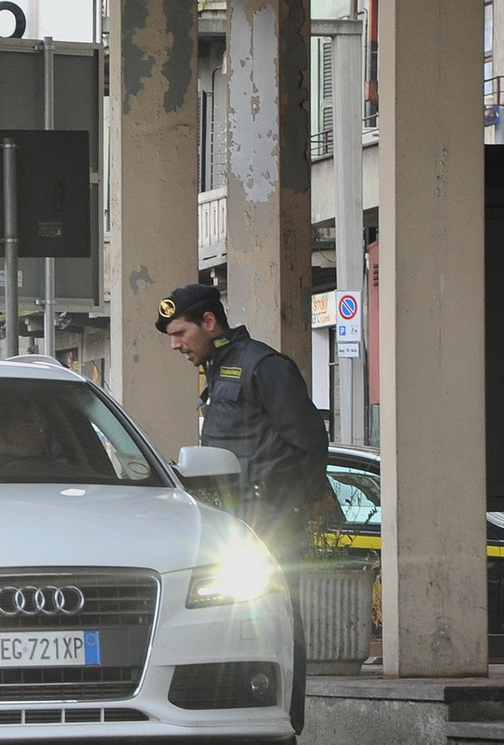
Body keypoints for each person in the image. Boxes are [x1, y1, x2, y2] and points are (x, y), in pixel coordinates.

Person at [157, 282, 328, 734]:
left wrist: (305, 502)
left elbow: (308, 440)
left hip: (270, 519)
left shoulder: (262, 366)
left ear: (209, 323)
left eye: (180, 333)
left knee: (278, 626)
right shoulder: (219, 369)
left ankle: (287, 724)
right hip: (231, 525)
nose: (176, 345)